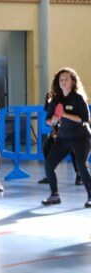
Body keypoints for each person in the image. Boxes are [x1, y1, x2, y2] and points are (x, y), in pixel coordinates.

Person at [41, 67, 91, 208]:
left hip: (82, 138)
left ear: (73, 82)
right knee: (49, 165)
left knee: (81, 165)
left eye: (66, 79)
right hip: (63, 138)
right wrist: (52, 121)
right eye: (61, 79)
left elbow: (85, 119)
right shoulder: (56, 99)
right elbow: (48, 119)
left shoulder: (78, 98)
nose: (63, 82)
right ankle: (54, 195)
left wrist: (64, 115)